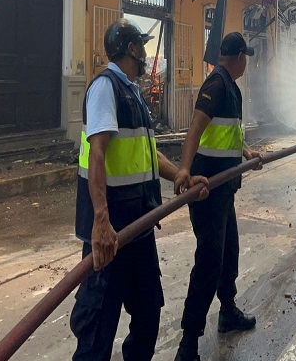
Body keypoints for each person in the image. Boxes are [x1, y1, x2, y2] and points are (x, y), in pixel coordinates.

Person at [70, 19, 209, 361]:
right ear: (131, 49)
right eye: (142, 46)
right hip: (112, 234)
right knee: (97, 331)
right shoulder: (106, 87)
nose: (146, 54)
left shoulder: (132, 91)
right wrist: (101, 222)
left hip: (138, 229)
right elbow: (98, 154)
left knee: (148, 311)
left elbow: (148, 154)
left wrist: (182, 177)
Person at [173, 32, 262, 361]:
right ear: (239, 56)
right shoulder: (216, 84)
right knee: (209, 263)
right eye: (246, 57)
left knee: (229, 254)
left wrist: (248, 153)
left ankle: (227, 311)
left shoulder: (230, 88)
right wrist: (184, 168)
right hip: (207, 190)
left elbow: (228, 133)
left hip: (225, 190)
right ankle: (188, 343)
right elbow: (196, 126)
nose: (246, 63)